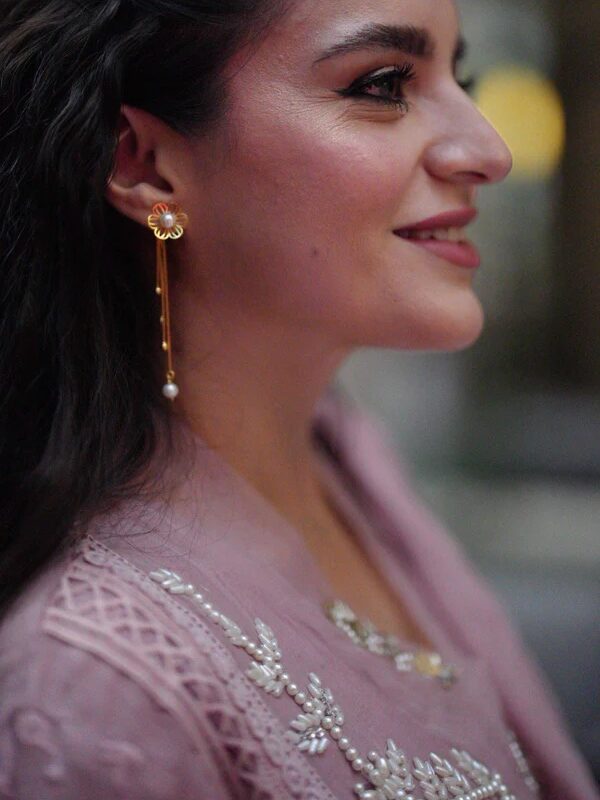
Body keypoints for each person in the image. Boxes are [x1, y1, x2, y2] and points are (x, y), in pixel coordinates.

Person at [0, 0, 596, 798]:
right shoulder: (98, 683)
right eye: (384, 84)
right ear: (142, 164)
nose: (490, 150)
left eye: (463, 76)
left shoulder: (343, 449)